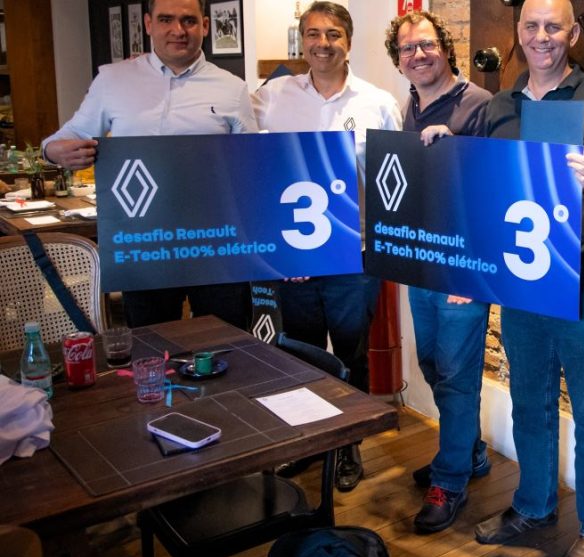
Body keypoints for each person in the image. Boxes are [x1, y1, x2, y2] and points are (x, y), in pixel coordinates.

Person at [473, 0, 584, 557]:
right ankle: (534, 506)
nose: (542, 36)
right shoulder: (498, 106)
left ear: (573, 32)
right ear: (519, 32)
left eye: (553, 26)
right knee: (530, 402)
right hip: (522, 284)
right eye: (532, 26)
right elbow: (486, 192)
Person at [251, 0, 401, 493]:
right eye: (313, 34)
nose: (323, 43)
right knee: (302, 352)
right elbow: (253, 167)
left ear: (348, 42)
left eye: (333, 34)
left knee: (352, 353)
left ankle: (349, 445)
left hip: (355, 254)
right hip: (295, 255)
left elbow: (394, 180)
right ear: (303, 41)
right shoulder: (271, 98)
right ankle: (311, 442)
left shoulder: (378, 103)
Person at [42, 0, 256, 331]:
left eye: (188, 20)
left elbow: (251, 164)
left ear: (205, 25)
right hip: (142, 243)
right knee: (152, 342)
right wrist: (54, 151)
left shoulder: (232, 87)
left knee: (225, 341)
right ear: (148, 24)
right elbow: (68, 135)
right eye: (166, 19)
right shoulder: (112, 80)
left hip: (215, 242)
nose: (178, 30)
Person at [383, 10, 494, 534]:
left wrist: (460, 151)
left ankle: (449, 481)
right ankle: (469, 451)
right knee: (431, 363)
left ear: (445, 47)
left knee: (456, 374)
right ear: (398, 60)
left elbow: (494, 189)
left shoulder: (479, 104)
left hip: (462, 270)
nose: (418, 55)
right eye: (407, 48)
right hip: (422, 262)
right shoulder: (407, 106)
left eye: (426, 44)